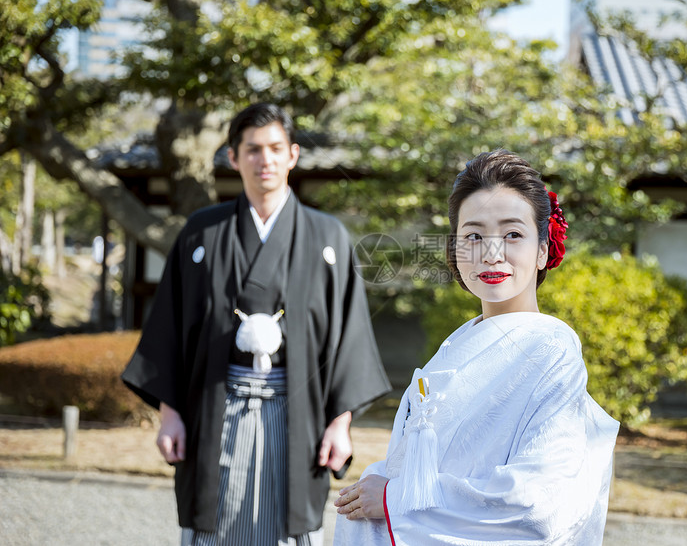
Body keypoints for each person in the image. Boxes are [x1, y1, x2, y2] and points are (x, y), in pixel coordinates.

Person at [122, 102, 391, 545]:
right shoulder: (201, 233)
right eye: (251, 150)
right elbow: (168, 325)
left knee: (286, 523)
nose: (263, 160)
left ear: (293, 154)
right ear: (233, 158)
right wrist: (170, 413)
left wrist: (340, 423)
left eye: (274, 148)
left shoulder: (327, 237)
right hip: (214, 405)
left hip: (298, 409)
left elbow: (350, 334)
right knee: (214, 519)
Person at [333, 149, 619, 545]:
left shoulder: (551, 350)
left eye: (513, 234)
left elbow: (537, 503)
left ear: (542, 249)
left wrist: (391, 498)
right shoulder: (457, 345)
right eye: (474, 235)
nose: (491, 252)